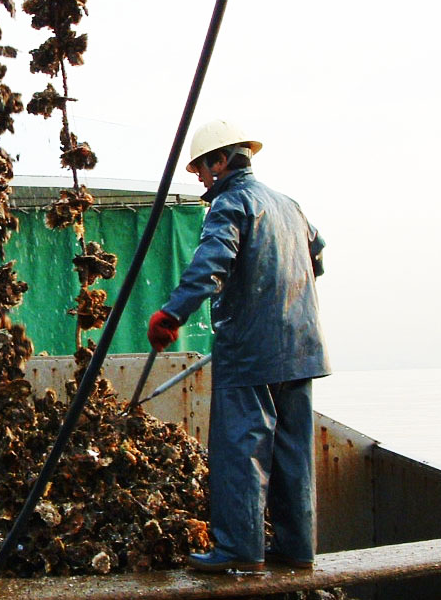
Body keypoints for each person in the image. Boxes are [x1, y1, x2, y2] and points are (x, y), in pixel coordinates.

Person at [146, 119, 330, 573]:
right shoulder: (290, 206)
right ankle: (296, 549)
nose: (201, 178)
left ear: (222, 160)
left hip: (251, 353)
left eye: (202, 169)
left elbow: (212, 264)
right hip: (301, 350)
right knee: (292, 455)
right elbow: (318, 256)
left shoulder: (230, 204)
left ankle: (239, 550)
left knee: (240, 451)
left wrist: (172, 314)